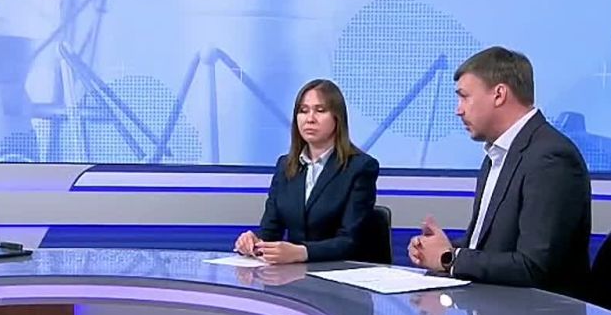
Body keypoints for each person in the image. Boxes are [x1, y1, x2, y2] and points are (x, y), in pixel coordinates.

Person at [408, 46, 592, 298]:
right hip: (493, 305)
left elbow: (534, 267)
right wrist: (441, 249)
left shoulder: (550, 158)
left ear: (499, 95)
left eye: (464, 97)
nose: (458, 110)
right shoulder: (497, 156)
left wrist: (450, 259)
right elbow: (491, 249)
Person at [234, 79, 379, 264]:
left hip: (340, 274)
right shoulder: (285, 165)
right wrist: (255, 242)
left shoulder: (360, 167)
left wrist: (301, 252)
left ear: (337, 117)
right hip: (292, 275)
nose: (310, 119)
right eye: (303, 111)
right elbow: (270, 231)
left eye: (320, 110)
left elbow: (349, 241)